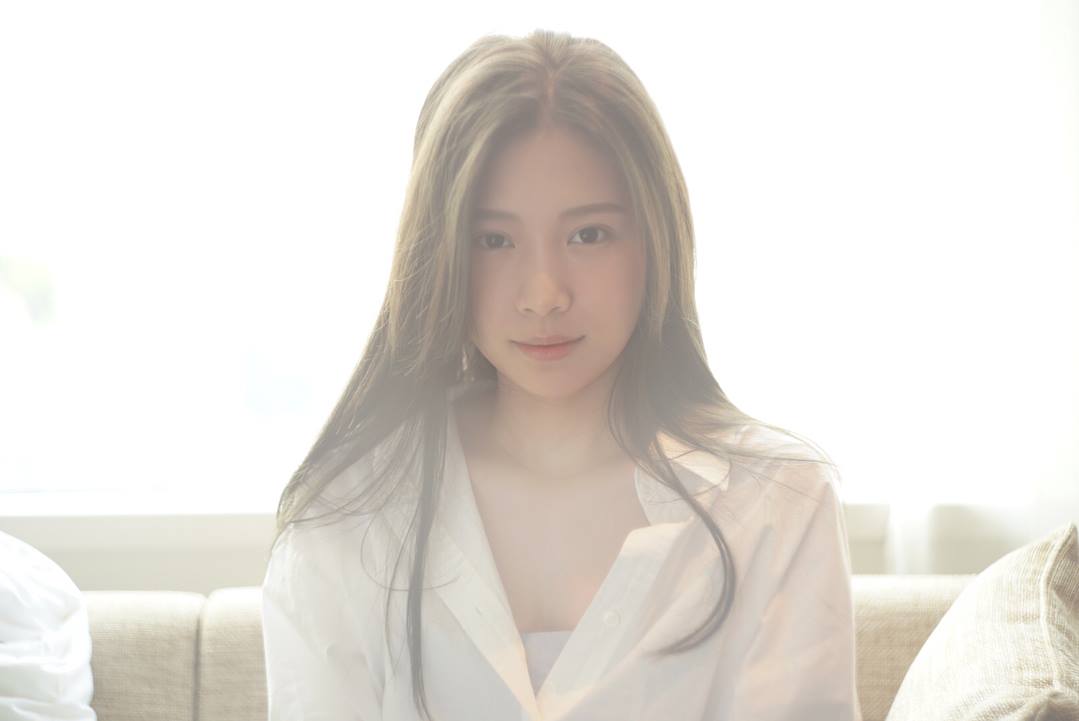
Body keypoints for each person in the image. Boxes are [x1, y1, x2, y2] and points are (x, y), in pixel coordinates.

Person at [261, 29, 862, 721]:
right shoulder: (346, 515)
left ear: (656, 240)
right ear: (441, 254)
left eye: (588, 235)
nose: (544, 293)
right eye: (493, 240)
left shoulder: (777, 503)